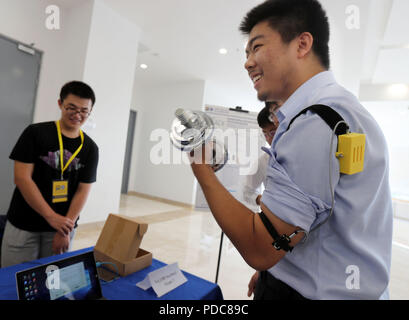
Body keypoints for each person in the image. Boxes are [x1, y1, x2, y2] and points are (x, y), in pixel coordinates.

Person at [190, 0, 392, 300]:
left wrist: (203, 172)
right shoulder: (336, 110)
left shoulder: (316, 121)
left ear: (302, 44)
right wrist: (278, 270)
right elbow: (303, 228)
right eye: (246, 53)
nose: (247, 62)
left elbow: (261, 247)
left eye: (256, 47)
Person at [1, 81, 99, 268]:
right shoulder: (35, 133)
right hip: (24, 222)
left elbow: (83, 190)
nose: (77, 115)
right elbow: (22, 178)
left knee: (53, 281)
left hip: (61, 228)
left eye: (84, 111)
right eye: (71, 107)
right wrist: (51, 216)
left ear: (90, 111)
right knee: (13, 279)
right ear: (60, 104)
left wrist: (64, 231)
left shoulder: (90, 148)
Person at [241, 101, 281, 211]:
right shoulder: (264, 160)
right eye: (265, 133)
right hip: (274, 217)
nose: (269, 138)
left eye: (273, 132)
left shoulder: (301, 154)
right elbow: (247, 191)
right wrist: (262, 200)